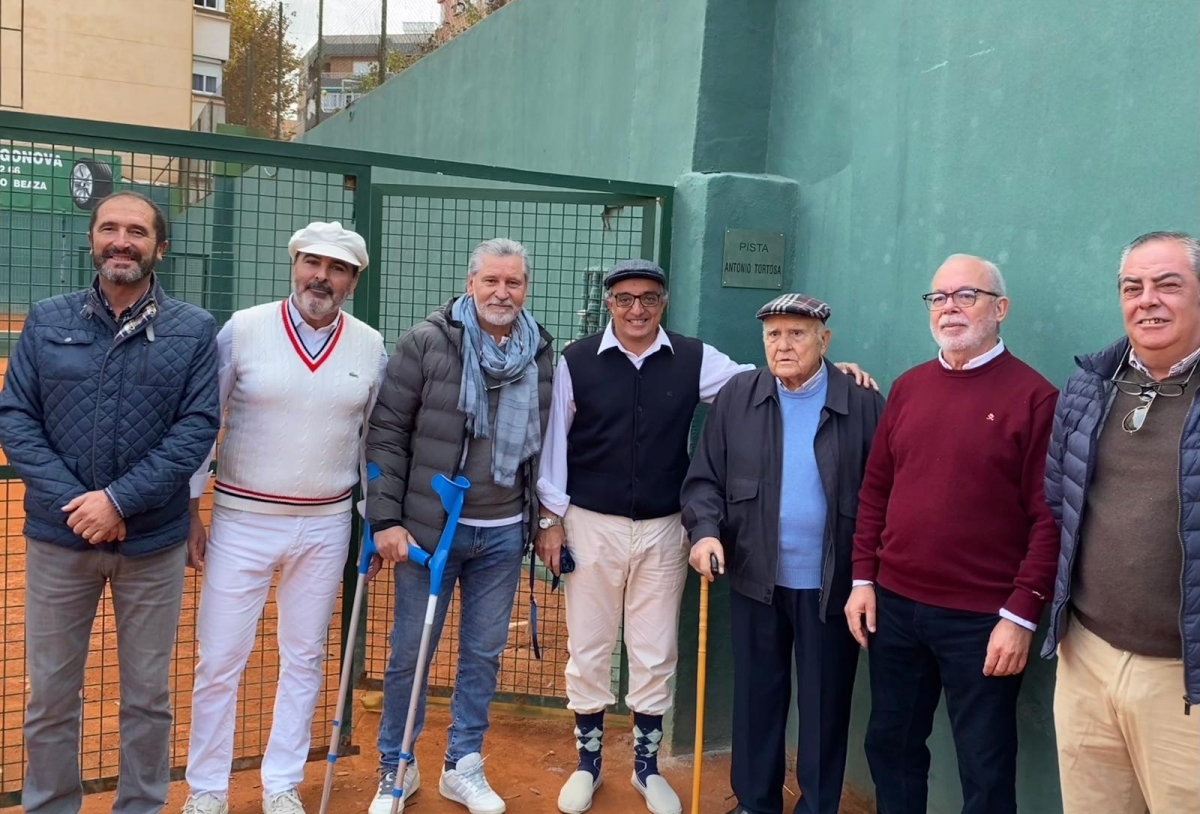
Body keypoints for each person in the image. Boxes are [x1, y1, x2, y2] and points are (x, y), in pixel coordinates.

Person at [538, 261, 875, 814]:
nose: (637, 309)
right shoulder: (577, 359)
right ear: (609, 304)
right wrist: (551, 520)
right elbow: (555, 442)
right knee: (589, 646)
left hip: (666, 527)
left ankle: (647, 769)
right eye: (624, 299)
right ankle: (588, 764)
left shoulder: (695, 358)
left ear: (664, 301)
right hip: (591, 523)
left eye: (648, 298)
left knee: (654, 650)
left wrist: (838, 372)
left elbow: (769, 374)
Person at [0, 191, 219, 814]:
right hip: (57, 541)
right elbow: (16, 419)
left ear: (160, 248)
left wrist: (119, 501)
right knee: (50, 696)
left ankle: (140, 807)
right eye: (110, 229)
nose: (122, 241)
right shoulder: (47, 320)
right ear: (93, 240)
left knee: (148, 697)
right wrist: (80, 504)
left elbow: (195, 429)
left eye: (137, 231)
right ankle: (49, 806)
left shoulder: (194, 330)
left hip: (152, 545)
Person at [180, 223, 386, 814]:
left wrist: (374, 521)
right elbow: (203, 422)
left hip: (326, 525)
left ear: (352, 279)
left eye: (338, 268)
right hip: (241, 519)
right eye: (312, 263)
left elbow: (375, 440)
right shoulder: (243, 329)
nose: (322, 276)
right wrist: (194, 509)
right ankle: (208, 789)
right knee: (219, 658)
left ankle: (281, 783)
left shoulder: (370, 344)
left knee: (304, 656)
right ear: (295, 264)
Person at [846, 253, 1059, 814]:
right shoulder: (910, 387)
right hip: (894, 607)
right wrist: (863, 578)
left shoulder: (1035, 397)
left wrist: (1020, 615)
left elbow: (1049, 518)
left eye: (967, 295)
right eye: (938, 297)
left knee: (985, 767)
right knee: (890, 746)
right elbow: (876, 492)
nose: (949, 308)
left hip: (982, 621)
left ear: (1000, 308)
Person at [366, 238, 554, 814]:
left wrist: (543, 518)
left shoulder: (542, 351)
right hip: (428, 535)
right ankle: (395, 766)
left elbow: (549, 445)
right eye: (492, 281)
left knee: (483, 653)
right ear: (470, 282)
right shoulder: (425, 343)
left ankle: (461, 764)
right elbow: (387, 435)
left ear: (525, 287)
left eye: (514, 283)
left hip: (502, 532)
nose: (503, 293)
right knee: (409, 653)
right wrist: (386, 519)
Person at [681, 293, 884, 814]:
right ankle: (755, 803)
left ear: (825, 339)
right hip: (756, 577)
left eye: (797, 333)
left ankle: (817, 807)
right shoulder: (737, 396)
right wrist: (705, 531)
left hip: (831, 585)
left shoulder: (861, 401)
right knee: (756, 701)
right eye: (773, 334)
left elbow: (884, 491)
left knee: (823, 707)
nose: (783, 344)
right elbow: (705, 480)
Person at [1040, 231, 1200, 813]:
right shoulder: (1090, 386)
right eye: (1132, 287)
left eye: (1168, 284)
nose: (1147, 299)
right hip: (1086, 657)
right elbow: (1058, 499)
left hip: (1184, 680)